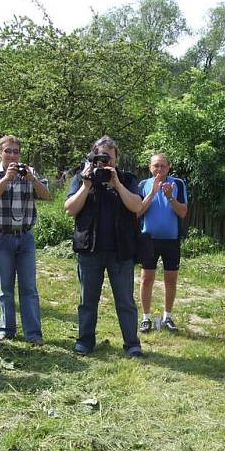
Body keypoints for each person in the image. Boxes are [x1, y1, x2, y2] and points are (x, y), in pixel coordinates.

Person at [64, 135, 143, 356]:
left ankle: (132, 343)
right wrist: (86, 185)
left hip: (121, 251)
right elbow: (70, 209)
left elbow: (137, 206)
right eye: (101, 157)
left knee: (125, 301)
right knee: (87, 300)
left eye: (110, 157)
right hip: (90, 249)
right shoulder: (83, 178)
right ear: (94, 157)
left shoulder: (127, 179)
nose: (106, 161)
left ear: (116, 158)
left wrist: (116, 184)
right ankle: (85, 341)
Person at [0, 136, 51, 345]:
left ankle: (33, 333)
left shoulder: (28, 172)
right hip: (1, 236)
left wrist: (32, 179)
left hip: (25, 237)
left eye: (15, 152)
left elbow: (47, 195)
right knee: (5, 288)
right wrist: (6, 178)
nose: (12, 155)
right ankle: (7, 329)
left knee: (29, 286)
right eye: (8, 151)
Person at [137, 153, 188, 333]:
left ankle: (167, 316)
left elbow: (183, 212)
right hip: (148, 239)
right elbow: (137, 211)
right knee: (146, 279)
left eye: (163, 166)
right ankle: (146, 318)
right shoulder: (143, 185)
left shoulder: (178, 184)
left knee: (171, 280)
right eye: (156, 165)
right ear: (150, 167)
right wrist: (153, 192)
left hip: (171, 240)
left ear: (169, 167)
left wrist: (169, 196)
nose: (159, 169)